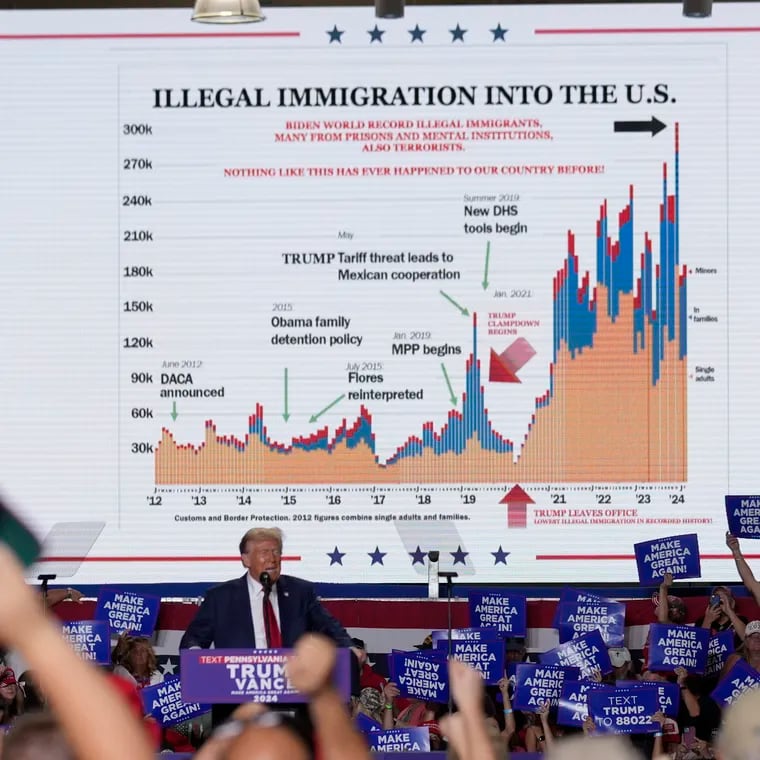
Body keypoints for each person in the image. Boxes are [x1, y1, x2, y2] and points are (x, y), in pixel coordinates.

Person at [180, 527, 357, 724]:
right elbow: (193, 638)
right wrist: (197, 658)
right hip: (238, 703)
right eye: (264, 552)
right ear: (245, 559)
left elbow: (327, 626)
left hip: (293, 699)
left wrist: (348, 646)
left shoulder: (300, 592)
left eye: (276, 552)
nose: (273, 559)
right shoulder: (220, 597)